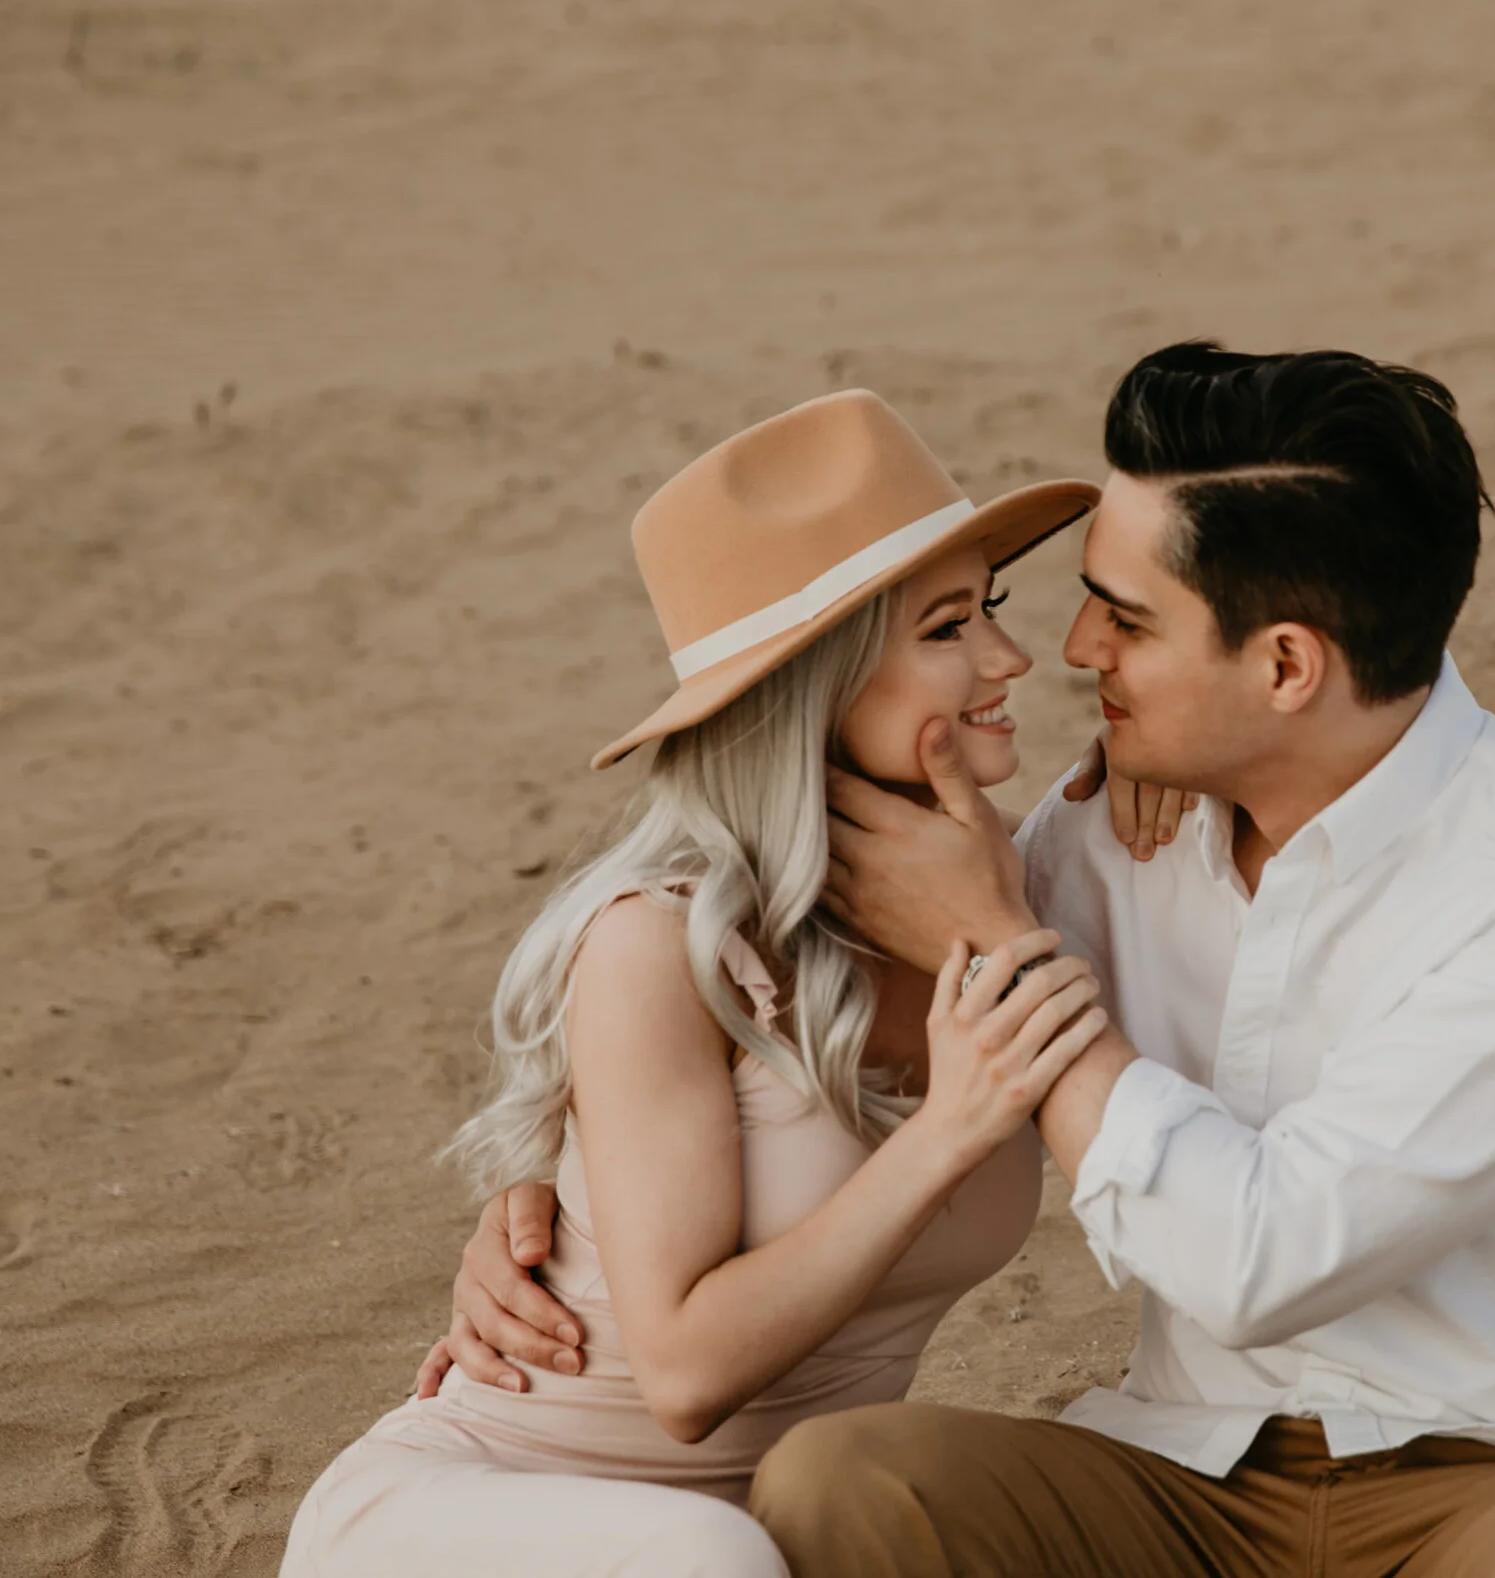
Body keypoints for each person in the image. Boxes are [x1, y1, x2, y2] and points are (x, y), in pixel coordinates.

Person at [453, 343, 1495, 1577]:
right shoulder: (1098, 836)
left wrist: (1003, 942)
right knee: (840, 1483)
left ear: (1287, 662)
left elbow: (1269, 1254)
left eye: (1124, 617)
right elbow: (782, 991)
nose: (1072, 650)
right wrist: (542, 1208)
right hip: (1189, 1478)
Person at [281, 390, 1117, 1577]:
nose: (1009, 657)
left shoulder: (1024, 892)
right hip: (485, 1509)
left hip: (784, 1529)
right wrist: (948, 1130)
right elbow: (679, 1375)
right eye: (945, 628)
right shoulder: (660, 949)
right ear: (816, 687)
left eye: (991, 606)